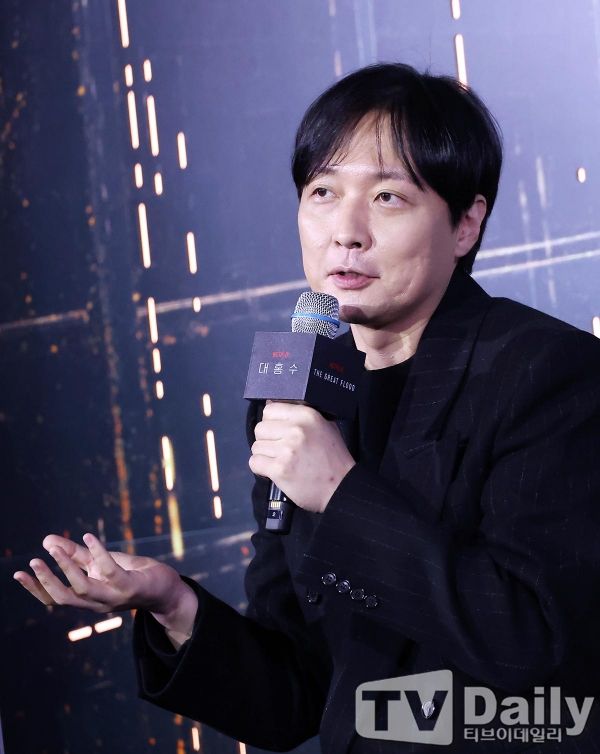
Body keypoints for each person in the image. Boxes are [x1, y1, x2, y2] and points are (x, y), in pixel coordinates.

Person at [14, 63, 600, 753]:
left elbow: (542, 645)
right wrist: (173, 604)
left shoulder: (547, 373)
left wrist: (341, 494)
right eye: (322, 191)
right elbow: (301, 692)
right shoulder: (295, 390)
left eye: (388, 196)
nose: (345, 232)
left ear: (466, 223)